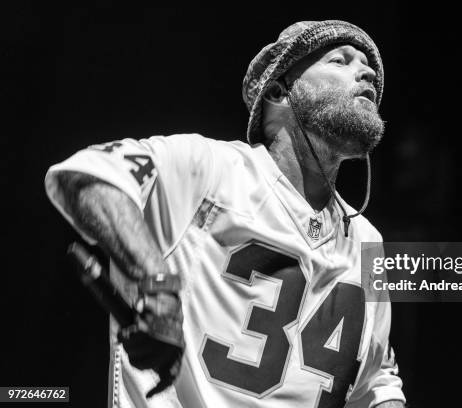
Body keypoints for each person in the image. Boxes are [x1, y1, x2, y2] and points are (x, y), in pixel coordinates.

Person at [45, 20, 406, 408]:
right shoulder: (212, 168)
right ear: (277, 91)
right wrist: (158, 284)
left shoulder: (368, 241)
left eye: (368, 67)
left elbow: (375, 384)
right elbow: (87, 176)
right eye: (341, 60)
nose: (366, 70)